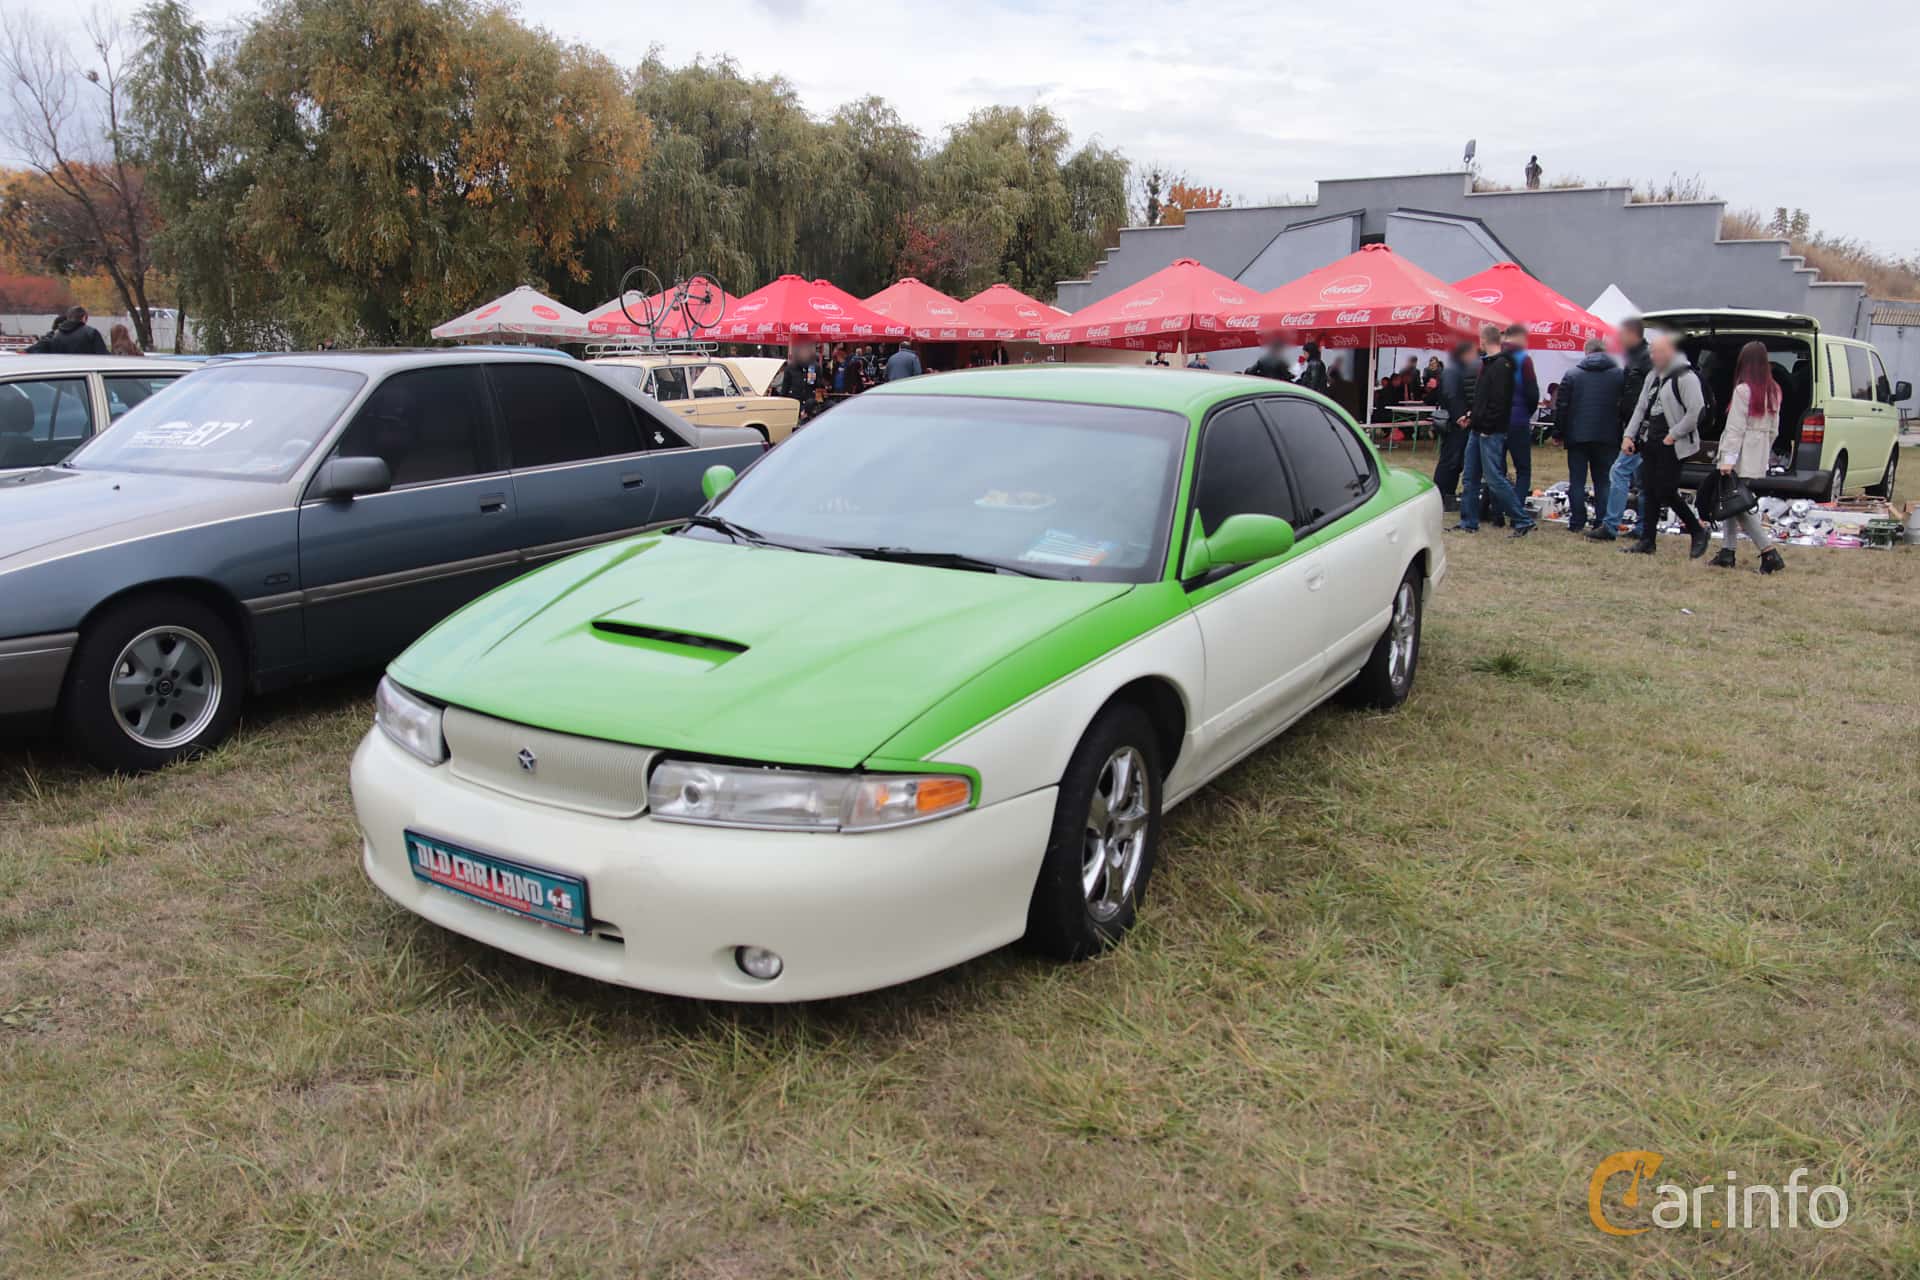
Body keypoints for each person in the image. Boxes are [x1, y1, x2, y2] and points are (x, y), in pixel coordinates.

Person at [1619, 329, 1711, 558]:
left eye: (1657, 352)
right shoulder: (1652, 376)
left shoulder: (1686, 377)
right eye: (1652, 352)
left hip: (1672, 444)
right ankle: (1647, 540)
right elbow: (1641, 407)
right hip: (1651, 440)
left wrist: (1674, 434)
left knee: (1666, 490)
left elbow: (1696, 411)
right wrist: (1629, 435)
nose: (1653, 356)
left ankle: (1697, 530)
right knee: (1649, 489)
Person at [1709, 341, 1787, 573]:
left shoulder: (1743, 390)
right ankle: (1727, 550)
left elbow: (1735, 428)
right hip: (1757, 451)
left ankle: (1768, 552)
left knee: (1738, 504)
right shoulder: (1774, 390)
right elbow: (1774, 429)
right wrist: (1764, 451)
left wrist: (1727, 459)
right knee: (1731, 500)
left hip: (1740, 453)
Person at [1452, 322, 1536, 537]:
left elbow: (1499, 403)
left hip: (1490, 431)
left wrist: (1486, 426)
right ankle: (1469, 521)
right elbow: (1483, 400)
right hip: (1479, 428)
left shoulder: (1501, 365)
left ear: (1483, 340)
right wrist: (1471, 416)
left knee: (1494, 478)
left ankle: (1522, 519)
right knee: (1470, 477)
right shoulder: (1490, 363)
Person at [1553, 338, 1624, 535]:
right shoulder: (1619, 375)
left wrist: (1558, 432)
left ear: (1586, 352)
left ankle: (1577, 521)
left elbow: (1562, 406)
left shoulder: (1572, 374)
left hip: (1577, 435)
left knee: (1577, 480)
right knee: (1604, 480)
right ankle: (1602, 521)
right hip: (1608, 435)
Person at [1596, 318, 1653, 541]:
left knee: (1619, 471)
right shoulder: (1636, 357)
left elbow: (1646, 397)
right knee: (1643, 479)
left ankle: (1611, 524)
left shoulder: (1645, 359)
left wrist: (1635, 429)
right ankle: (1643, 526)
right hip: (1634, 426)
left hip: (1639, 429)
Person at [1431, 340, 1477, 511]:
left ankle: (1446, 495)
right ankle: (1442, 495)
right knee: (1451, 460)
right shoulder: (1453, 371)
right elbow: (1451, 395)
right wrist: (1460, 416)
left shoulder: (1455, 370)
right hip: (1456, 423)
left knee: (1455, 461)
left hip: (1457, 421)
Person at [1500, 323, 1539, 499]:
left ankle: (1498, 508)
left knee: (1497, 469)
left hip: (1496, 420)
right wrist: (1526, 413)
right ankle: (1517, 508)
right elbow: (1532, 394)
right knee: (1523, 469)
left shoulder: (1493, 357)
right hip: (1518, 419)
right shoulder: (1524, 359)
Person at [27, 305, 109, 355]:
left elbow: (35, 350)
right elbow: (103, 357)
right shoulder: (91, 333)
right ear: (84, 318)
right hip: (85, 375)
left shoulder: (54, 335)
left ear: (68, 317)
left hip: (63, 375)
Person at [776, 341, 827, 421]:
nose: (804, 354)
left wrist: (815, 379)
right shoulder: (790, 368)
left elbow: (819, 388)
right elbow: (785, 389)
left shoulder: (815, 367)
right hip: (795, 405)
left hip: (810, 406)